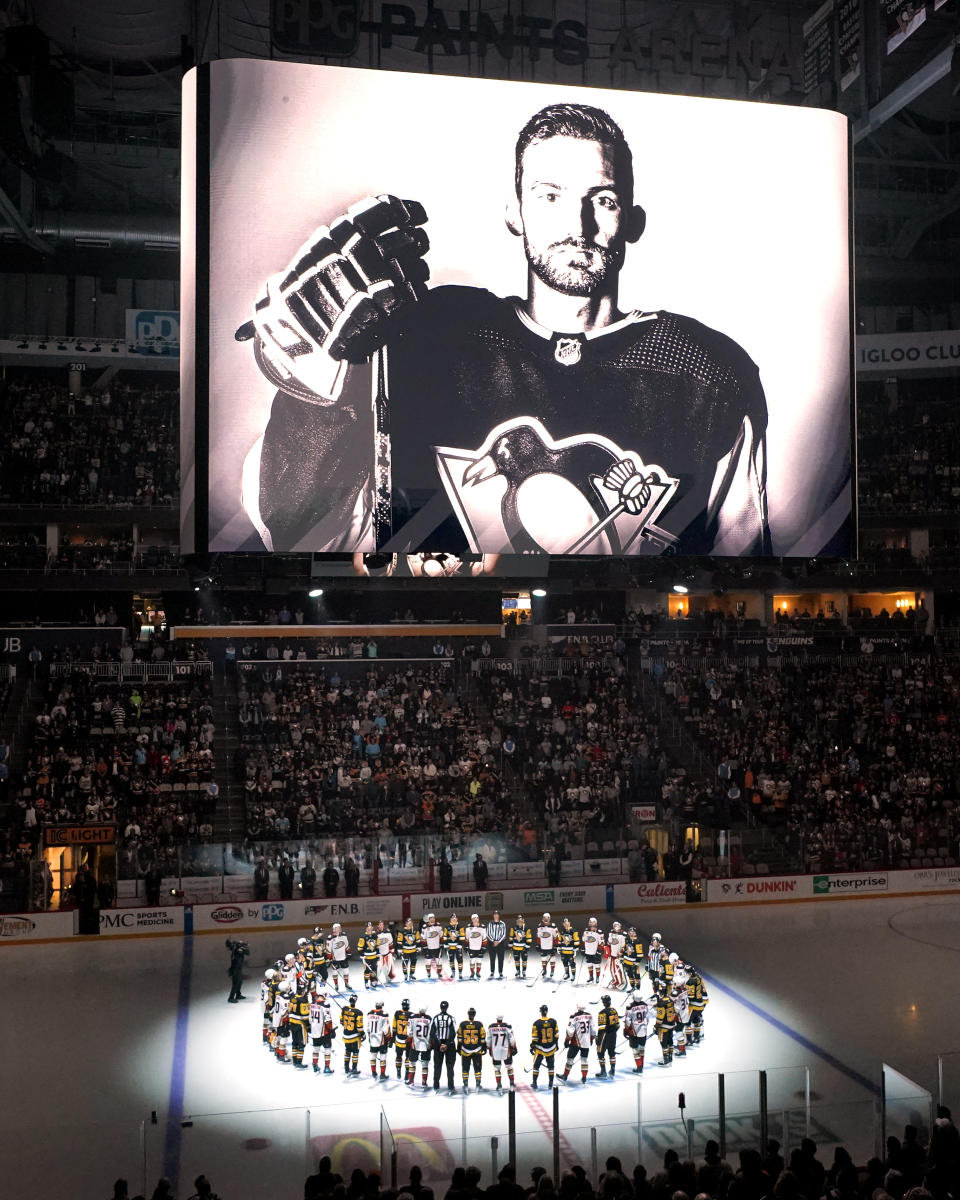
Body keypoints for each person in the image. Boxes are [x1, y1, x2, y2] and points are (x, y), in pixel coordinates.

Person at [239, 102, 770, 556]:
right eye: (550, 196)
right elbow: (304, 534)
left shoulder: (706, 372)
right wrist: (310, 399)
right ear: (514, 213)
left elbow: (741, 560)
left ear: (632, 220)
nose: (577, 224)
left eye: (601, 200)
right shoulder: (430, 337)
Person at [559, 1004, 595, 1084]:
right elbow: (593, 1030)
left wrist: (567, 1040)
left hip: (576, 1042)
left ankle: (565, 1076)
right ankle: (584, 1077)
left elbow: (570, 1031)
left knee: (570, 1058)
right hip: (586, 1042)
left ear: (577, 1007)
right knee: (584, 1059)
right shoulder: (589, 1016)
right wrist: (591, 1039)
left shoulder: (574, 1016)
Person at [430, 998, 458, 1093]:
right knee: (450, 1066)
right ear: (447, 1007)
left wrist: (439, 1044)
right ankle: (450, 1086)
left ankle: (436, 1085)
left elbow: (432, 1033)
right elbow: (453, 1033)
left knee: (437, 1066)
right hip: (449, 1045)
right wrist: (446, 1044)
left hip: (438, 1045)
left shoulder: (435, 1018)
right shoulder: (451, 1018)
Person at [530, 1003, 560, 1090]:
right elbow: (557, 1035)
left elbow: (535, 1038)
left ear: (541, 1012)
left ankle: (534, 1082)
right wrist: (556, 1044)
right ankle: (550, 1083)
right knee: (551, 1067)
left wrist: (532, 1046)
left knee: (536, 1066)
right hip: (551, 1047)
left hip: (540, 1048)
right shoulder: (553, 1021)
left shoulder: (536, 1023)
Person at [457, 1006, 486, 1092]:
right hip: (477, 1050)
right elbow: (483, 1037)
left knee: (465, 1068)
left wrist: (458, 1047)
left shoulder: (462, 1024)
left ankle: (465, 1084)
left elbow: (459, 1037)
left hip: (465, 1050)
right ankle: (478, 1084)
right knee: (477, 1068)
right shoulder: (479, 1024)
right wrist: (484, 1047)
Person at [487, 1013, 518, 1091]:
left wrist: (488, 1048)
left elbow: (488, 1040)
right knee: (509, 1066)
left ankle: (499, 1085)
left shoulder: (491, 1027)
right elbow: (512, 1039)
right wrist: (514, 1047)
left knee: (497, 1068)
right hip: (506, 1050)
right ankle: (511, 1083)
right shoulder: (507, 1027)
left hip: (495, 1051)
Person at [624, 989, 649, 1074]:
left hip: (634, 1030)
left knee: (635, 1049)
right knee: (642, 1048)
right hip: (643, 1030)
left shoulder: (630, 1006)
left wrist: (626, 1029)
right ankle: (641, 1065)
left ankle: (639, 1067)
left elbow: (627, 1020)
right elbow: (647, 1018)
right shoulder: (645, 1005)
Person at [595, 994, 620, 1078]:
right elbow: (618, 1025)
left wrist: (598, 1038)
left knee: (600, 1053)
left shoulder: (602, 1012)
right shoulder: (614, 1010)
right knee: (612, 1052)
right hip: (613, 1034)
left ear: (603, 1002)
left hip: (605, 1035)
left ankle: (603, 1071)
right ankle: (612, 1071)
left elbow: (601, 1028)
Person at [339, 993, 365, 1074]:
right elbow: (359, 1027)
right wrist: (363, 1034)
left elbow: (341, 1021)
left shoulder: (344, 1009)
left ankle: (346, 1068)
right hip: (354, 1036)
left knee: (347, 1051)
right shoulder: (358, 1012)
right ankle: (354, 1068)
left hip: (346, 1035)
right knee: (355, 1052)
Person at [226, 937, 249, 1003]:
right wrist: (243, 947)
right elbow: (247, 952)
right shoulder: (238, 951)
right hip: (235, 970)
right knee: (235, 983)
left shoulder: (237, 949)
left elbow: (247, 952)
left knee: (240, 982)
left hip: (238, 969)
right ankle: (231, 998)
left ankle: (238, 994)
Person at [486, 909, 507, 979]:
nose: (496, 916)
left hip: (500, 944)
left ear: (499, 915)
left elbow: (504, 934)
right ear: (493, 916)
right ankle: (492, 972)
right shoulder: (490, 924)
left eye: (497, 914)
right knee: (492, 958)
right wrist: (493, 941)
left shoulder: (502, 924)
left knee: (501, 958)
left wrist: (498, 941)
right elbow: (488, 934)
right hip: (491, 944)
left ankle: (500, 972)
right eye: (494, 914)